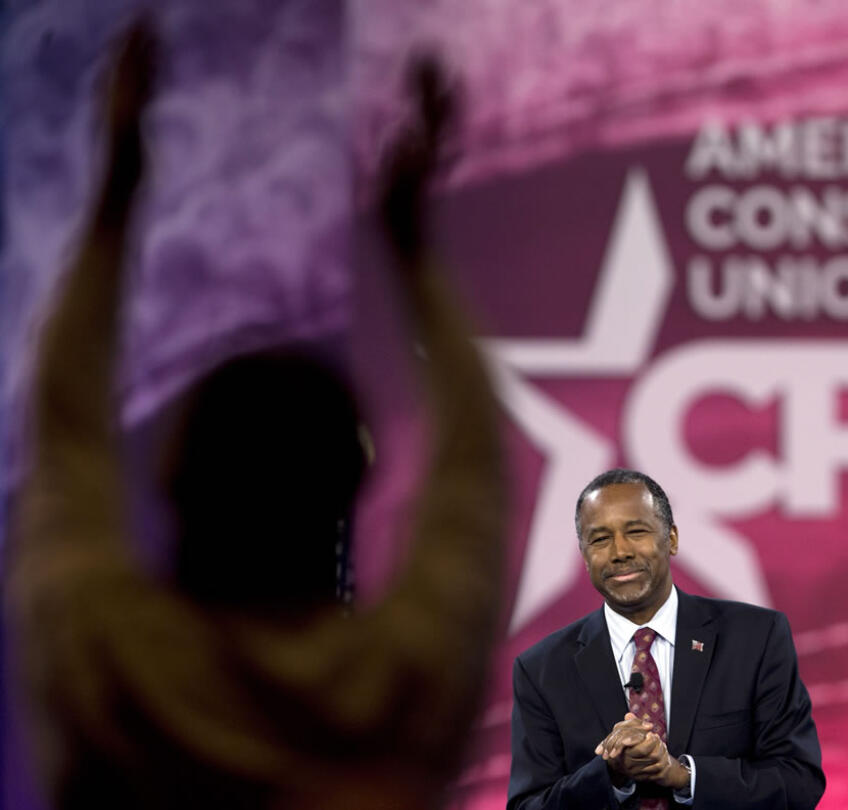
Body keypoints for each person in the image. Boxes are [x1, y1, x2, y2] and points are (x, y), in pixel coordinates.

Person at [4, 19, 505, 810]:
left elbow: (63, 438)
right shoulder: (411, 683)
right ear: (351, 493)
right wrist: (412, 251)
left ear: (173, 482)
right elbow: (474, 472)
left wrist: (116, 193)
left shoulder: (104, 666)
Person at [507, 469, 825, 810]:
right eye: (600, 539)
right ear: (584, 557)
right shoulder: (542, 670)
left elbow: (798, 781)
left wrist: (684, 775)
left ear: (671, 539)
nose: (620, 551)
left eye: (636, 531)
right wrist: (610, 775)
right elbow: (528, 806)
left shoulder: (755, 639)